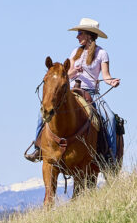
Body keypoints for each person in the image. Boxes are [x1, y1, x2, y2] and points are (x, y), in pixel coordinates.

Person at [26, 18, 121, 163]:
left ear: (89, 35)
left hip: (91, 92)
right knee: (43, 113)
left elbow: (106, 76)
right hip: (71, 91)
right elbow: (66, 76)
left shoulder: (102, 53)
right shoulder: (74, 52)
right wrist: (74, 72)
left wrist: (111, 82)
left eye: (80, 33)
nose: (77, 36)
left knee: (110, 118)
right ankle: (38, 148)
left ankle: (110, 156)